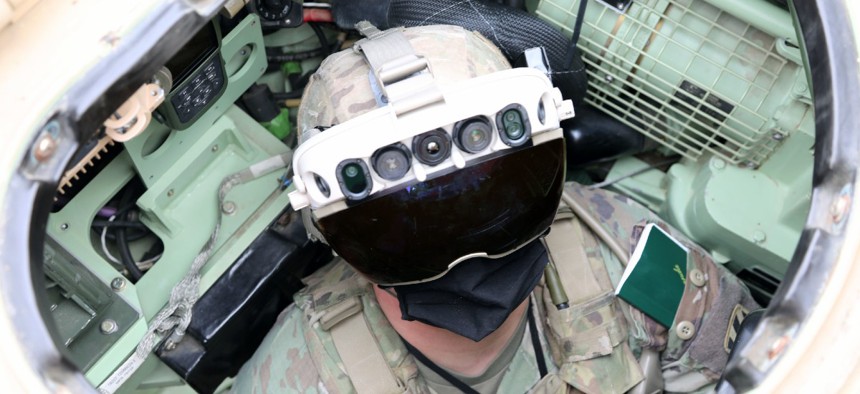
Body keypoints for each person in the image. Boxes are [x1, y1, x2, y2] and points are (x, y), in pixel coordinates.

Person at [232, 23, 759, 394]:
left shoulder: (624, 254)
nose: (469, 251)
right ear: (328, 234)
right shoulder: (296, 377)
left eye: (488, 191)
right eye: (408, 220)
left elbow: (758, 368)